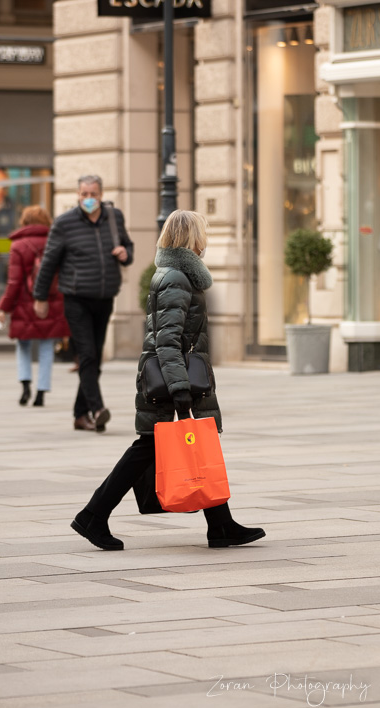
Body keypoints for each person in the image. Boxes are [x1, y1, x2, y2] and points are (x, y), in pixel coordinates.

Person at [70, 210, 265, 551]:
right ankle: (93, 516)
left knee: (193, 444)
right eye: (203, 233)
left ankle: (221, 525)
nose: (206, 240)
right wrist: (179, 387)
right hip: (171, 380)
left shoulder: (175, 274)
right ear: (191, 237)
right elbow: (167, 339)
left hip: (173, 377)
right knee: (148, 448)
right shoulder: (175, 277)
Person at [33, 175, 134, 433]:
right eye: (84, 194)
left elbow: (128, 247)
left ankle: (80, 415)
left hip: (105, 297)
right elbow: (49, 263)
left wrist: (125, 254)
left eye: (93, 194)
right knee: (87, 355)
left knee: (94, 358)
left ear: (101, 194)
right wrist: (40, 297)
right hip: (76, 299)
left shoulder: (114, 218)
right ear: (78, 196)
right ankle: (98, 408)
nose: (89, 199)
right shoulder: (64, 224)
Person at [0, 206, 69, 407]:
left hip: (23, 304)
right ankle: (41, 393)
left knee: (23, 346)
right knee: (46, 347)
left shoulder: (18, 245)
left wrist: (4, 308)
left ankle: (25, 385)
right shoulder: (56, 241)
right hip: (51, 302)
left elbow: (14, 282)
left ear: (25, 222)